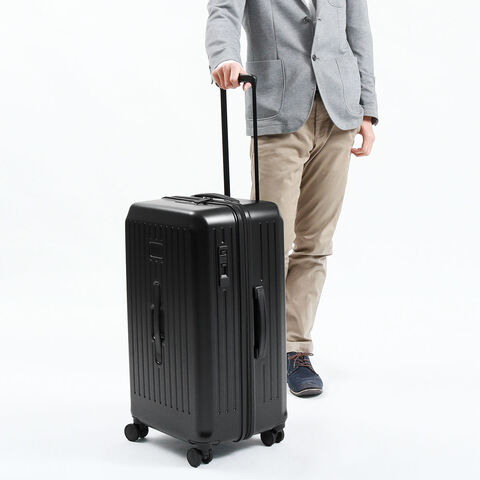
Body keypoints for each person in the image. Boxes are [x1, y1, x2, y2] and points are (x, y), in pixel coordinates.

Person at [205, 0, 378, 397]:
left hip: (339, 111)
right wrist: (225, 57)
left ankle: (294, 350)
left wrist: (368, 110)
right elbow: (223, 10)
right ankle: (254, 347)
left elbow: (359, 33)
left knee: (315, 243)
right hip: (277, 106)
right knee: (266, 244)